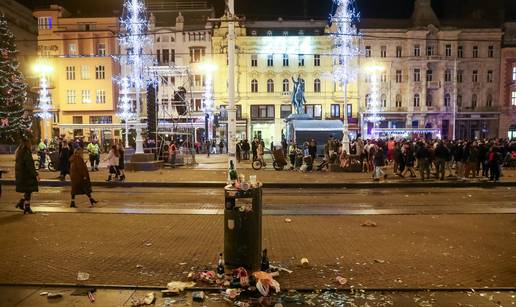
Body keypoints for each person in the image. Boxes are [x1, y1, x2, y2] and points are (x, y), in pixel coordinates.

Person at [15, 138, 39, 214]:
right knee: (29, 190)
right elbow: (29, 165)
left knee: (27, 190)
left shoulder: (19, 151)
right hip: (26, 175)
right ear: (27, 143)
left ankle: (22, 203)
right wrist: (36, 174)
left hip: (22, 174)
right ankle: (26, 207)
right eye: (30, 143)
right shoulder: (26, 152)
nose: (31, 144)